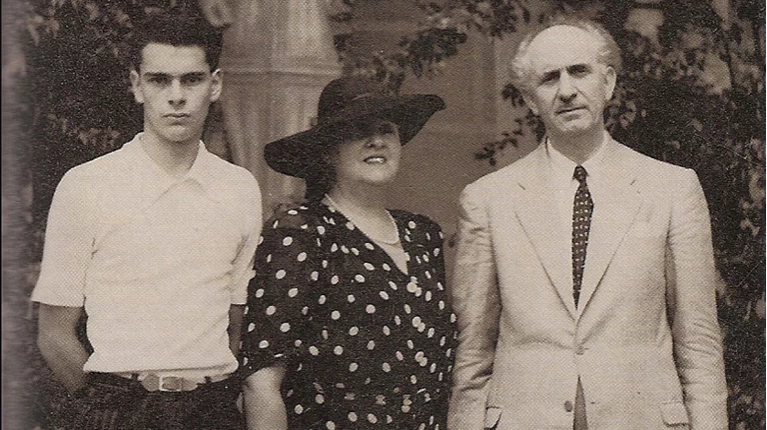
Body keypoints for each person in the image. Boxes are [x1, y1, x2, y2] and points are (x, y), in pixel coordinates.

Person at [448, 17, 728, 430]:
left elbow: (698, 341)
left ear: (608, 82)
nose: (566, 90)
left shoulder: (671, 189)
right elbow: (472, 353)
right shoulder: (489, 199)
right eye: (549, 78)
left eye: (579, 71)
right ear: (530, 99)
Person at [32, 12, 262, 429]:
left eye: (192, 80)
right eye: (159, 80)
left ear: (215, 85)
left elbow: (236, 322)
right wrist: (104, 412)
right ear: (137, 85)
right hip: (120, 407)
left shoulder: (239, 188)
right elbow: (54, 334)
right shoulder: (87, 185)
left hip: (211, 411)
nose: (176, 96)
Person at [239, 76, 457, 430]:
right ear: (328, 151)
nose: (377, 141)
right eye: (358, 130)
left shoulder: (421, 235)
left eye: (386, 130)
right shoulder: (302, 232)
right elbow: (262, 381)